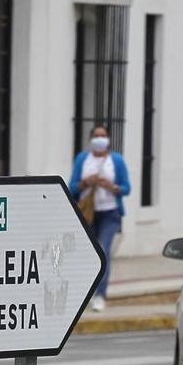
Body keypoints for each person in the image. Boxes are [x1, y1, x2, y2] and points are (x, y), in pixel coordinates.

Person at [69, 125, 130, 311]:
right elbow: (71, 187)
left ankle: (101, 295)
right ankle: (86, 292)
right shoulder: (83, 159)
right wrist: (86, 182)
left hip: (110, 213)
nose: (100, 139)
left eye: (103, 136)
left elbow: (126, 188)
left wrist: (112, 187)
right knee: (89, 254)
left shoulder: (116, 161)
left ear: (108, 139)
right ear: (91, 139)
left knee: (103, 251)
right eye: (96, 136)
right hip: (88, 214)